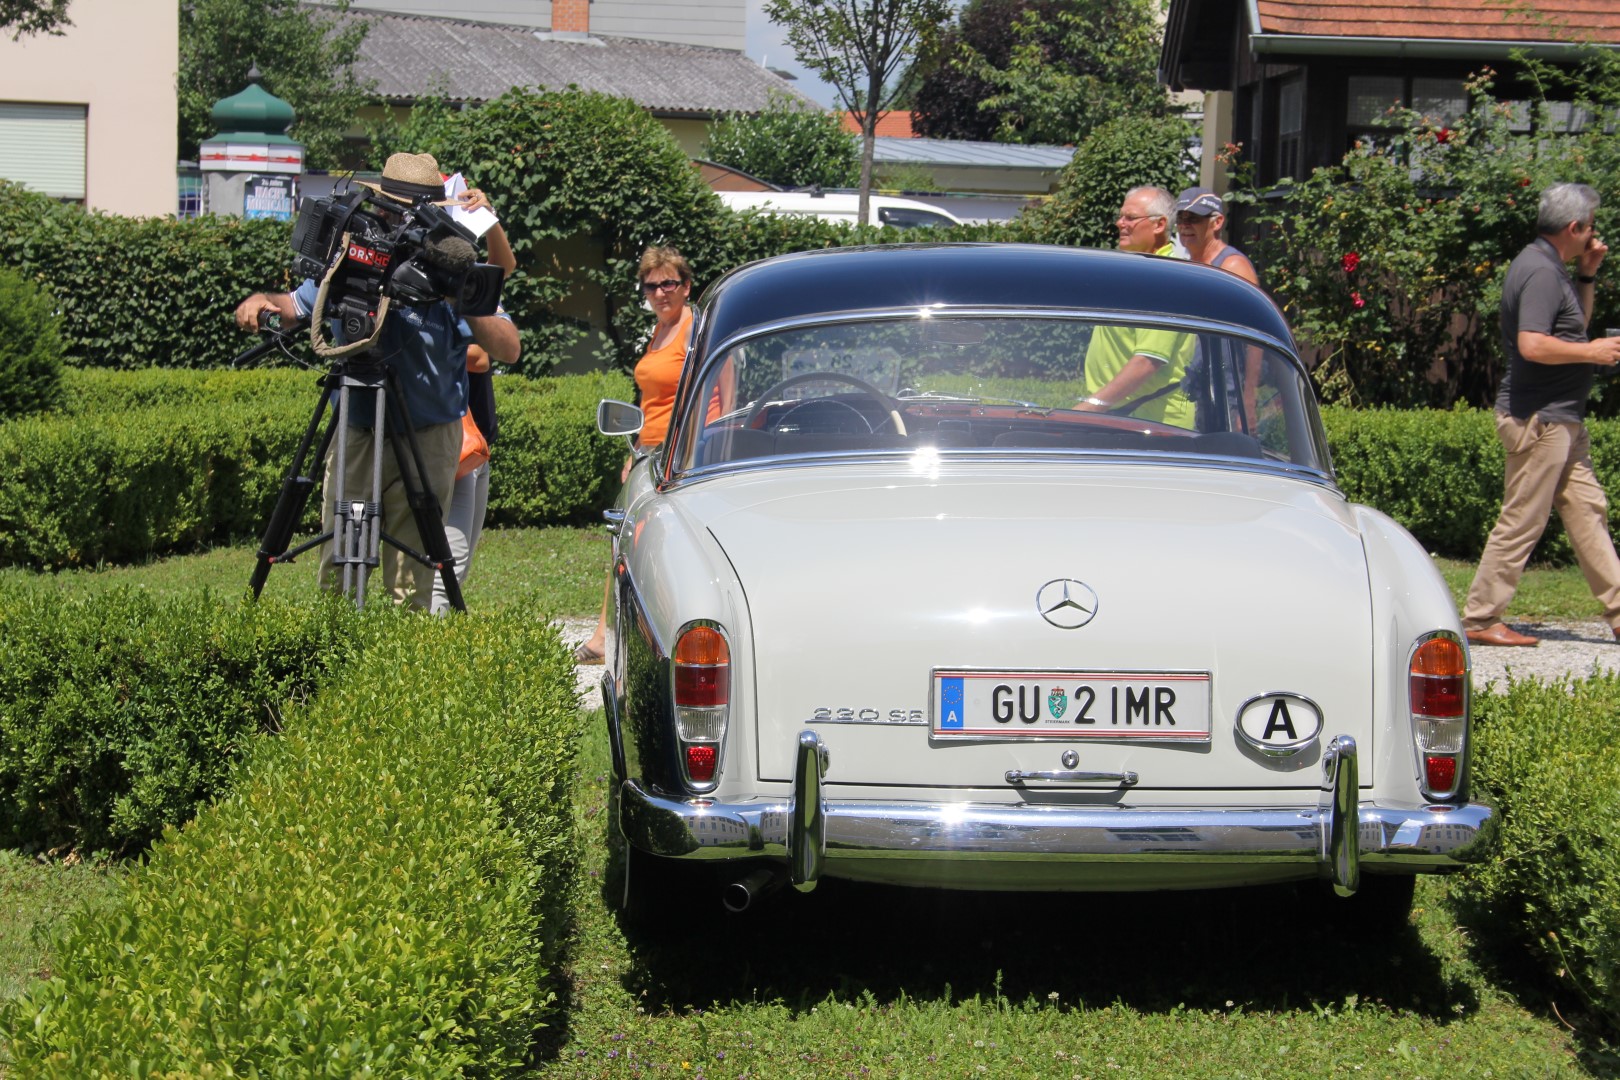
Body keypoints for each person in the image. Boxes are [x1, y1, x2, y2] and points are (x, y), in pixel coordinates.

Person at [234, 152, 520, 610]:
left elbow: (507, 347)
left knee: (412, 578)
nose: (394, 221)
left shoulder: (447, 263)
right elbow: (294, 306)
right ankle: (337, 657)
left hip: (426, 437)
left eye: (406, 211)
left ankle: (397, 670)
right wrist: (260, 303)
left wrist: (460, 289)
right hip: (357, 429)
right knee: (339, 570)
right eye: (389, 208)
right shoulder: (355, 256)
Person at [1462, 182, 1620, 648]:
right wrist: (1592, 351)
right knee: (1523, 519)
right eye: (1591, 228)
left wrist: (1588, 275)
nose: (1594, 236)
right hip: (1540, 420)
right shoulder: (1541, 272)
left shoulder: (1552, 268)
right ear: (1575, 227)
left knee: (1588, 512)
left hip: (1561, 418)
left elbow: (1573, 330)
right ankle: (1480, 617)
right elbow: (1533, 345)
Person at [574, 246, 697, 664]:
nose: (660, 292)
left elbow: (720, 391)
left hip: (680, 454)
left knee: (646, 539)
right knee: (625, 536)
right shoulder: (660, 331)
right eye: (651, 285)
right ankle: (606, 633)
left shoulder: (693, 328)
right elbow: (653, 398)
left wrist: (700, 448)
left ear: (686, 285)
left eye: (669, 283)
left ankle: (626, 635)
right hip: (649, 450)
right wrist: (636, 446)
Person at [432, 197, 517, 614]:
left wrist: (490, 218)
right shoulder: (437, 284)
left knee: (456, 564)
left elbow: (503, 267)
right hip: (454, 439)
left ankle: (430, 642)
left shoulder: (466, 281)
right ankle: (427, 650)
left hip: (476, 439)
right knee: (449, 562)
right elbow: (482, 356)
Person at [1075, 186, 1196, 427]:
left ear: (1159, 225)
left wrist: (1092, 406)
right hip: (1123, 412)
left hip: (1150, 422)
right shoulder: (1142, 271)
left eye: (1130, 217)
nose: (1120, 223)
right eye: (1120, 217)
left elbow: (1149, 360)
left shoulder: (1165, 278)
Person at [1175, 186, 1264, 428]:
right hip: (1204, 392)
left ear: (1217, 222)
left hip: (1229, 397)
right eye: (1180, 219)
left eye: (1193, 219)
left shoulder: (1232, 267)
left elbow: (1256, 338)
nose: (1185, 226)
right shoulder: (1190, 266)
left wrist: (1249, 399)